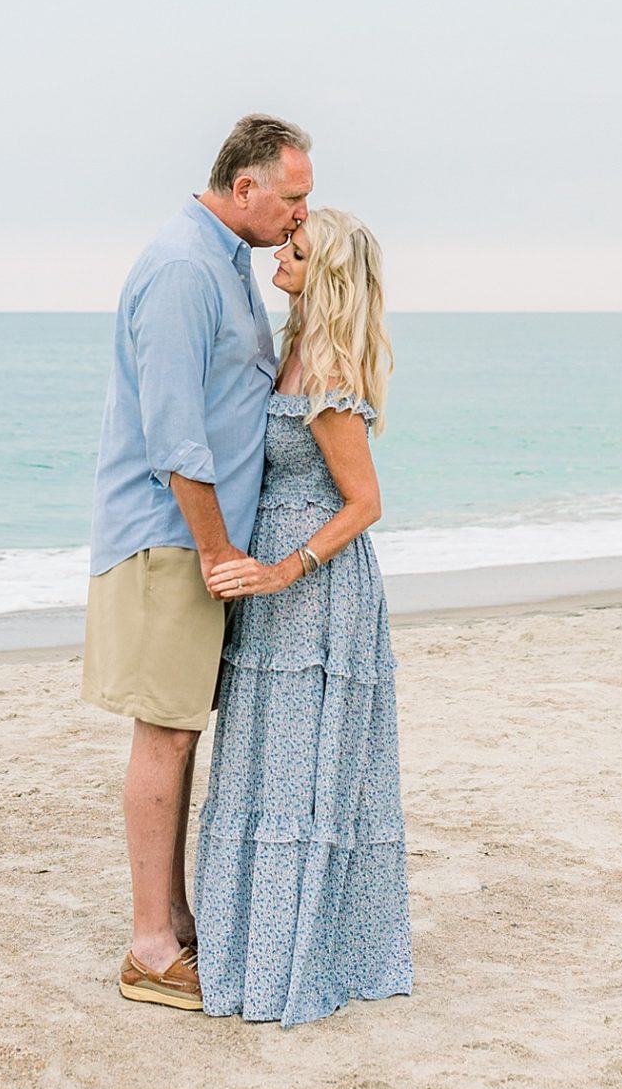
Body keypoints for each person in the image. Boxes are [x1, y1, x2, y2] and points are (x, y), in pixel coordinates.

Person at [84, 114, 314, 1010]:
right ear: (243, 187)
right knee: (166, 728)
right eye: (291, 198)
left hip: (198, 537)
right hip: (170, 537)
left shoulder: (226, 262)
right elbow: (174, 435)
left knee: (180, 727)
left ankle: (174, 919)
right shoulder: (186, 268)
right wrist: (217, 549)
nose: (300, 215)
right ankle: (149, 946)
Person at [195, 208, 413, 1027]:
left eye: (296, 249)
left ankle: (301, 957)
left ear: (325, 275)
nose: (278, 254)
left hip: (315, 590)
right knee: (264, 765)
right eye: (284, 242)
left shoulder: (326, 372)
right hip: (269, 587)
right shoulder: (288, 350)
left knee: (305, 774)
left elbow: (365, 503)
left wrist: (288, 566)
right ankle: (253, 947)